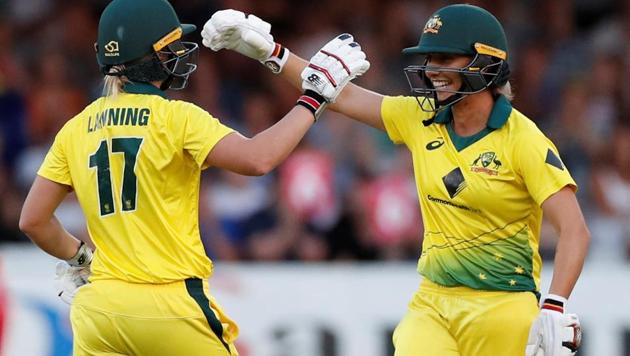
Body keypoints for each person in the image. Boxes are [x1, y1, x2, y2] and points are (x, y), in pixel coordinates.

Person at [203, 4, 590, 356]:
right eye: (429, 59)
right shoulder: (420, 119)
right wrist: (272, 54)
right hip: (433, 301)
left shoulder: (523, 139)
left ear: (483, 63)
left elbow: (574, 229)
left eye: (444, 58)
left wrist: (554, 304)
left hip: (503, 305)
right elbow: (341, 94)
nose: (432, 70)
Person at [18, 0, 369, 355]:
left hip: (100, 310)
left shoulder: (74, 128)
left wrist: (81, 259)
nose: (177, 53)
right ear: (153, 56)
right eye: (169, 46)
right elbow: (259, 159)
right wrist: (314, 97)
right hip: (170, 305)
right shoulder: (177, 118)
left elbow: (34, 221)